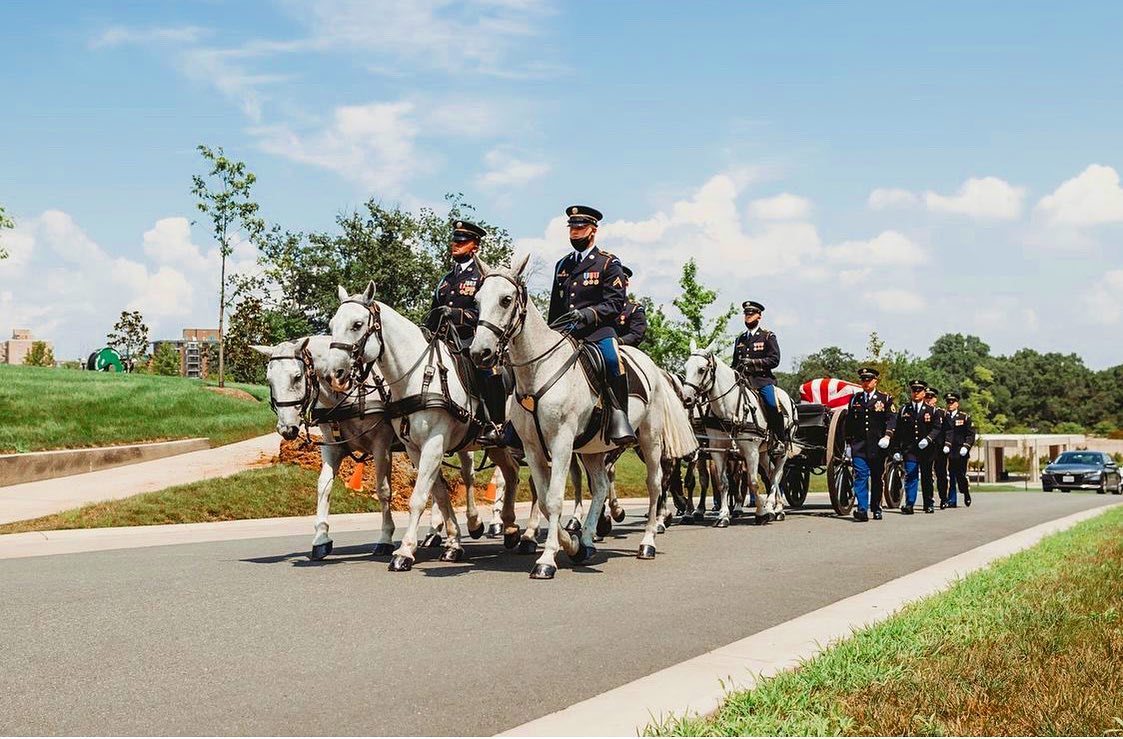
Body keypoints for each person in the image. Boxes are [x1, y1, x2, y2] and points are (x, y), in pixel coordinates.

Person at [546, 205, 634, 445]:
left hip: (598, 331)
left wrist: (588, 314)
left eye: (580, 228)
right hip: (566, 332)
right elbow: (555, 306)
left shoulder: (608, 263)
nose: (574, 233)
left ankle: (619, 416)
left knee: (613, 360)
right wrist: (550, 331)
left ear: (593, 230)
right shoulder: (562, 265)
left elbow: (616, 303)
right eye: (572, 228)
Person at [425, 220, 503, 446]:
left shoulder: (482, 277)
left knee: (486, 370)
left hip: (471, 337)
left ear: (475, 246)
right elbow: (433, 311)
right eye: (455, 241)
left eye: (462, 242)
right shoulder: (445, 279)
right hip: (443, 339)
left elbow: (486, 313)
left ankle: (495, 424)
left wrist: (458, 314)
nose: (455, 245)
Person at [843, 367, 896, 521]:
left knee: (876, 477)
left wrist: (887, 436)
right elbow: (850, 423)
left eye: (868, 380)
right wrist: (848, 444)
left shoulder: (885, 399)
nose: (865, 383)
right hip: (859, 446)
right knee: (860, 476)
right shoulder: (855, 399)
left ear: (875, 381)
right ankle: (862, 509)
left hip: (878, 446)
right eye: (863, 380)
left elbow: (892, 419)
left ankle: (876, 507)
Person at [731, 300, 786, 442]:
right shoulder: (739, 339)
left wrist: (754, 363)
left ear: (759, 316)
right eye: (746, 314)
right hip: (742, 381)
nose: (748, 317)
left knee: (772, 404)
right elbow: (735, 364)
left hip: (762, 381)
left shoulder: (768, 336)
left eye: (751, 314)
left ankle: (780, 439)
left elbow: (774, 360)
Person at [893, 379, 942, 514]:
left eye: (919, 391)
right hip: (910, 449)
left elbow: (937, 428)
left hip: (927, 450)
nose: (915, 393)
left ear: (924, 393)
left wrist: (928, 439)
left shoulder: (932, 410)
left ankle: (929, 502)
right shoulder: (904, 410)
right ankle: (909, 504)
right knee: (911, 475)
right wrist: (896, 449)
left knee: (926, 477)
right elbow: (898, 432)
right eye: (913, 390)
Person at [942, 392, 976, 507]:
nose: (950, 404)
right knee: (951, 475)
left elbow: (971, 434)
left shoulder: (964, 417)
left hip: (961, 450)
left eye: (952, 402)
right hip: (949, 450)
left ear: (957, 404)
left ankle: (965, 492)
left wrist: (966, 446)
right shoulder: (944, 416)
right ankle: (952, 500)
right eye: (948, 402)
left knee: (961, 475)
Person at [923, 387, 949, 508]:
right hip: (926, 448)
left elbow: (949, 430)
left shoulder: (942, 413)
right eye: (926, 397)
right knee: (927, 474)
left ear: (935, 399)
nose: (928, 400)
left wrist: (947, 444)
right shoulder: (922, 412)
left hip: (939, 447)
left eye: (931, 397)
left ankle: (944, 498)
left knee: (941, 474)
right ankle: (928, 500)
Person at [615, 266, 647, 347]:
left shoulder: (634, 309)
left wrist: (618, 341)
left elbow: (636, 335)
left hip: (622, 347)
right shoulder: (598, 307)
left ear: (626, 283)